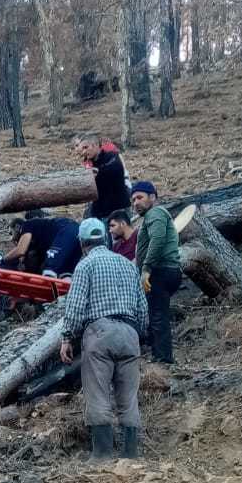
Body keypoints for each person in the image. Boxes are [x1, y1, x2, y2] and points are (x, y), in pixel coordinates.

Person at [60, 218, 149, 461]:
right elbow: (143, 309)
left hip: (99, 332)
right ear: (105, 240)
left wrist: (67, 337)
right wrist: (138, 334)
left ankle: (102, 454)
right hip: (130, 333)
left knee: (98, 393)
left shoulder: (86, 265)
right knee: (128, 396)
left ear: (82, 243)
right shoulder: (128, 265)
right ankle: (130, 454)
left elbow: (76, 306)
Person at [131, 181, 183, 365]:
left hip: (160, 271)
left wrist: (146, 269)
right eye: (133, 199)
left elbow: (158, 240)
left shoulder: (156, 213)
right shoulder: (153, 216)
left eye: (140, 197)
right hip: (162, 270)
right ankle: (161, 356)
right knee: (156, 314)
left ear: (152, 197)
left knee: (158, 316)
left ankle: (163, 359)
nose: (135, 202)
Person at [4, 214, 82, 277]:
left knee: (50, 270)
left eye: (11, 233)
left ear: (17, 227)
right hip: (77, 234)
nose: (11, 238)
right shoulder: (40, 237)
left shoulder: (27, 225)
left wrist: (3, 259)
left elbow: (21, 250)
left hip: (65, 229)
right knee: (66, 273)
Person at [77, 134, 130, 224]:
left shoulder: (112, 156)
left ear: (96, 145)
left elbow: (114, 169)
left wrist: (97, 173)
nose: (83, 152)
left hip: (118, 211)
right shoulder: (91, 165)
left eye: (86, 147)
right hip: (100, 213)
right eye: (82, 149)